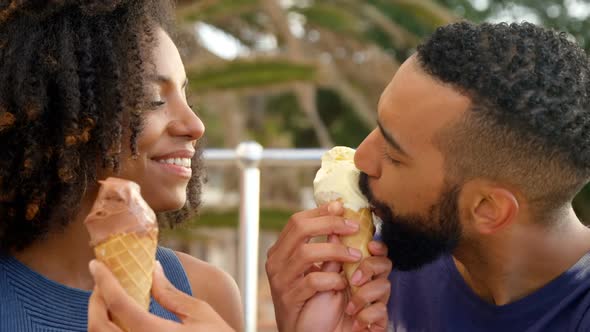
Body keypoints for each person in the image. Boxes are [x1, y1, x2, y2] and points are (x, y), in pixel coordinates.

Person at [267, 21, 590, 331]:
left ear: (487, 208)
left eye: (394, 155)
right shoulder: (376, 276)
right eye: (378, 126)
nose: (362, 157)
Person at [0, 1, 241, 331]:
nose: (195, 125)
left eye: (185, 95)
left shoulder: (209, 296)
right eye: (153, 99)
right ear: (65, 120)